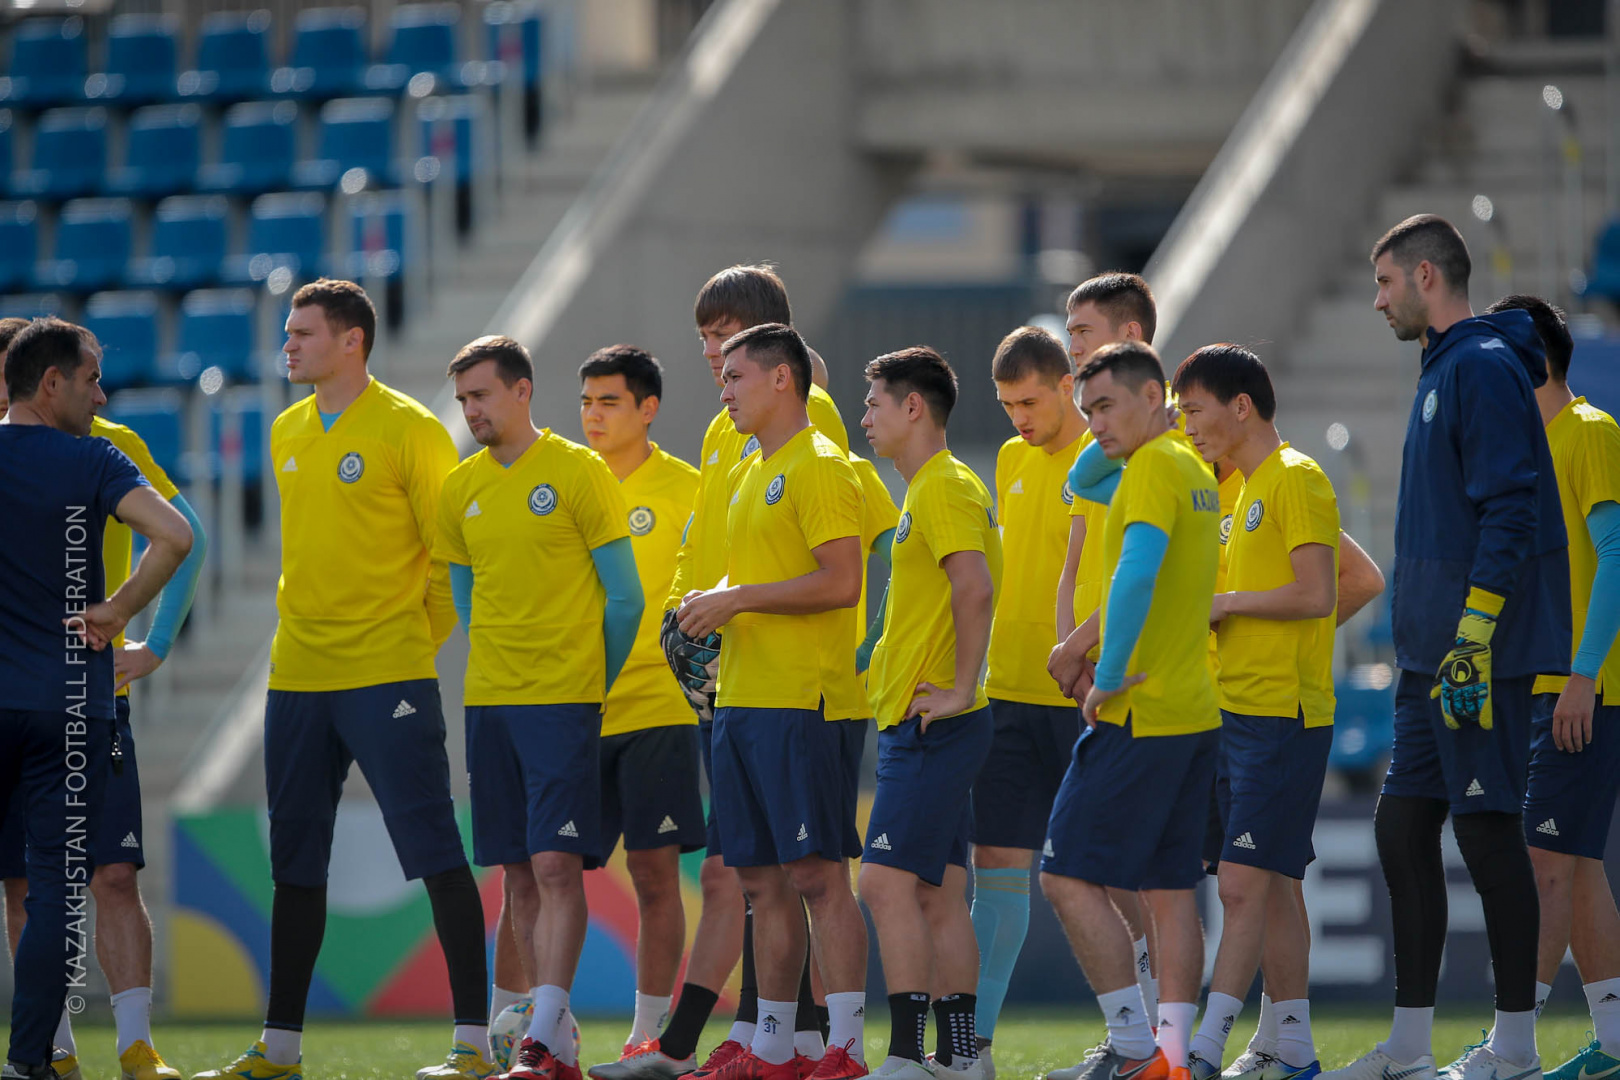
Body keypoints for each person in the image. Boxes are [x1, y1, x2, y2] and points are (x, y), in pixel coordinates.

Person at [193, 281, 490, 1080]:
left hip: (388, 675)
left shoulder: (412, 429)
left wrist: (403, 644)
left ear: (352, 339)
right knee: (296, 864)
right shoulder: (288, 430)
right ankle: (280, 1049)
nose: (286, 345)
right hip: (296, 678)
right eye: (287, 333)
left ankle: (473, 1043)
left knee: (435, 854)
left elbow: (447, 559)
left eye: (303, 333)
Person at [1324, 216, 1570, 1080]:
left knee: (1488, 834)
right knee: (1401, 829)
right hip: (1430, 657)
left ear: (1427, 276)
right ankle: (1411, 1047)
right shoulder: (1446, 365)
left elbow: (1512, 508)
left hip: (1476, 656)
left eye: (1386, 281)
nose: (1379, 298)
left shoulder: (1480, 366)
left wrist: (1474, 632)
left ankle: (1515, 1048)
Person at [651, 267, 853, 1080]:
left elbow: (836, 567)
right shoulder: (728, 435)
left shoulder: (816, 437)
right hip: (735, 683)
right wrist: (685, 622)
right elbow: (716, 554)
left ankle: (829, 1042)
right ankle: (777, 1039)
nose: (710, 356)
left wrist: (734, 603)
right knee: (755, 876)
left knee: (807, 875)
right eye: (707, 340)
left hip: (799, 689)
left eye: (727, 339)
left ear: (777, 362)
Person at [435, 335, 644, 1080]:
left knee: (558, 865)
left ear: (522, 391)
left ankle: (546, 1036)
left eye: (482, 396)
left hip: (563, 702)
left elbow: (626, 599)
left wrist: (592, 679)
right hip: (490, 703)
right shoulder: (458, 490)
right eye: (463, 400)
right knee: (518, 873)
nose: (471, 412)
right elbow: (467, 601)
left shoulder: (579, 472)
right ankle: (547, 1026)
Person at [0, 318, 193, 1080]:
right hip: (67, 706)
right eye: (90, 380)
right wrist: (117, 609)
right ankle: (34, 1063)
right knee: (54, 890)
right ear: (52, 384)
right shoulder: (92, 460)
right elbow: (176, 536)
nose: (101, 393)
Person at [1039, 341, 1222, 1080]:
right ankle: (1171, 1058)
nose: (1095, 427)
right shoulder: (1188, 465)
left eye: (1107, 406)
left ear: (1157, 396)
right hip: (1193, 714)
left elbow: (1136, 571)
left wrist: (1105, 674)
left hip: (1139, 710)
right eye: (1086, 413)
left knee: (1065, 874)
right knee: (1171, 888)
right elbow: (1087, 474)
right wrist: (1106, 434)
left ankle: (1132, 1046)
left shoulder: (1150, 470)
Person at [1172, 346, 1346, 1080]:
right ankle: (1293, 1046)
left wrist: (1228, 605)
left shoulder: (1296, 477)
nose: (1189, 427)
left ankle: (1207, 1046)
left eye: (1196, 411)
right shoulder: (1239, 493)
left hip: (1283, 713)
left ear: (1240, 406)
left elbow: (1320, 593)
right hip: (1234, 713)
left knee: (1243, 882)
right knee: (1270, 881)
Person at [1484, 296, 1620, 1080]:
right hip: (1545, 683)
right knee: (1576, 866)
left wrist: (1584, 674)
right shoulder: (1530, 450)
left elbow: (1615, 555)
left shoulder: (1590, 432)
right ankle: (1614, 1040)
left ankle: (1513, 1046)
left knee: (1542, 867)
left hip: (1581, 687)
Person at [859, 346, 1001, 1080]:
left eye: (875, 403)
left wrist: (958, 687)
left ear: (914, 407)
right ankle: (959, 1056)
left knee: (881, 885)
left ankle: (909, 1057)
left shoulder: (942, 487)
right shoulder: (932, 489)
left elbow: (972, 588)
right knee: (938, 893)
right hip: (928, 720)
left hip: (934, 724)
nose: (865, 417)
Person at [575, 345, 706, 1065]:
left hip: (659, 709)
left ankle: (645, 1035)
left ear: (647, 409)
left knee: (656, 877)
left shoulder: (688, 488)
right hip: (573, 709)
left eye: (610, 402)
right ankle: (540, 1029)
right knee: (548, 874)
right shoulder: (561, 484)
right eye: (587, 402)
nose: (593, 415)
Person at [969, 326, 1087, 1073]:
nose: (1018, 417)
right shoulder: (1011, 458)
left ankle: (1143, 1038)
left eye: (1030, 401)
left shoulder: (1105, 457)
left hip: (1080, 692)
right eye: (1008, 403)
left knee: (1100, 875)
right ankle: (971, 1045)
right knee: (998, 869)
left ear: (1067, 386)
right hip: (1007, 692)